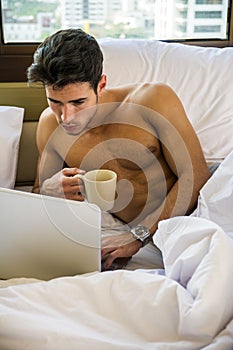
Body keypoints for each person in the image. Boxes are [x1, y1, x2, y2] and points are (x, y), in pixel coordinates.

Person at [27, 28, 210, 270]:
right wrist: (49, 190)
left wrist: (139, 236)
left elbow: (196, 175)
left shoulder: (153, 100)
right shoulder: (49, 125)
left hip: (186, 218)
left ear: (101, 85)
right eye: (55, 102)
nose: (66, 116)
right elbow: (39, 193)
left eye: (78, 102)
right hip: (115, 228)